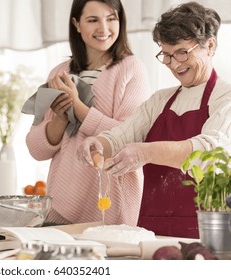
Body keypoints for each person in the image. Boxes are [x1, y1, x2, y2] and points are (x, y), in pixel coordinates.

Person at [78, 1, 231, 238]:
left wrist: (145, 153)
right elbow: (120, 136)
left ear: (209, 45)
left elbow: (208, 152)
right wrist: (99, 143)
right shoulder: (160, 100)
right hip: (151, 234)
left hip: (207, 234)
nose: (174, 64)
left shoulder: (226, 97)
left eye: (182, 52)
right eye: (167, 55)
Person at [25, 0, 151, 226]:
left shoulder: (132, 69)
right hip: (61, 204)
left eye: (111, 18)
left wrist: (78, 107)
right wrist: (62, 117)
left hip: (111, 205)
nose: (104, 28)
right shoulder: (59, 73)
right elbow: (36, 148)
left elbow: (130, 136)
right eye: (93, 20)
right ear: (77, 24)